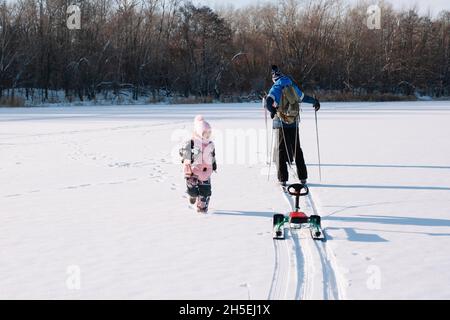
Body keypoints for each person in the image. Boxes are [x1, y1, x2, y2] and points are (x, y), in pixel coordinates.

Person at [265, 65, 320, 186]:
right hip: (294, 122)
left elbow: (269, 101)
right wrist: (315, 101)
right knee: (297, 149)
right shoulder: (291, 85)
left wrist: (272, 111)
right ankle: (303, 177)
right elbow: (303, 97)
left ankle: (283, 179)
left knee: (281, 150)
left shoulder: (276, 87)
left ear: (274, 77)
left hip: (281, 123)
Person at [180, 115, 217, 213]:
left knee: (206, 190)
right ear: (199, 133)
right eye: (205, 133)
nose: (207, 135)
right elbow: (183, 151)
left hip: (206, 172)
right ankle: (192, 195)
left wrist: (214, 164)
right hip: (193, 171)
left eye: (209, 133)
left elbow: (212, 155)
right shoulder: (192, 142)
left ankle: (202, 207)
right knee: (193, 190)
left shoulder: (210, 144)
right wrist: (187, 158)